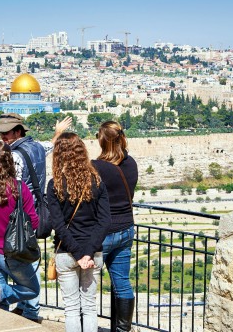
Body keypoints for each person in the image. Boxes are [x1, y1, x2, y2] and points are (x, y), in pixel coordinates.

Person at [0, 112, 71, 322]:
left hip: (19, 215)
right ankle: (27, 307)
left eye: (6, 133)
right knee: (29, 258)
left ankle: (29, 311)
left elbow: (13, 187)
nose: (2, 137)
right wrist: (58, 133)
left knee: (21, 261)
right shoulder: (35, 147)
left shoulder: (14, 155)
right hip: (34, 212)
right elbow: (49, 146)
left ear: (17, 131)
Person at [48, 132, 111, 332]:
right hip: (93, 253)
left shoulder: (55, 185)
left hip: (67, 253)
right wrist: (88, 253)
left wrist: (77, 253)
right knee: (90, 307)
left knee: (72, 308)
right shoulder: (97, 181)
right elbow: (104, 221)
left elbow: (57, 225)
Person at [0, 141, 40, 312]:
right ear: (9, 161)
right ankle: (2, 293)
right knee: (32, 289)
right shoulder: (19, 188)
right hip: (12, 252)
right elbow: (32, 221)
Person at [92, 121, 138, 332]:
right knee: (122, 281)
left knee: (88, 283)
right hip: (127, 227)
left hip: (104, 231)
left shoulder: (96, 167)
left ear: (102, 141)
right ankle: (122, 329)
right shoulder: (132, 164)